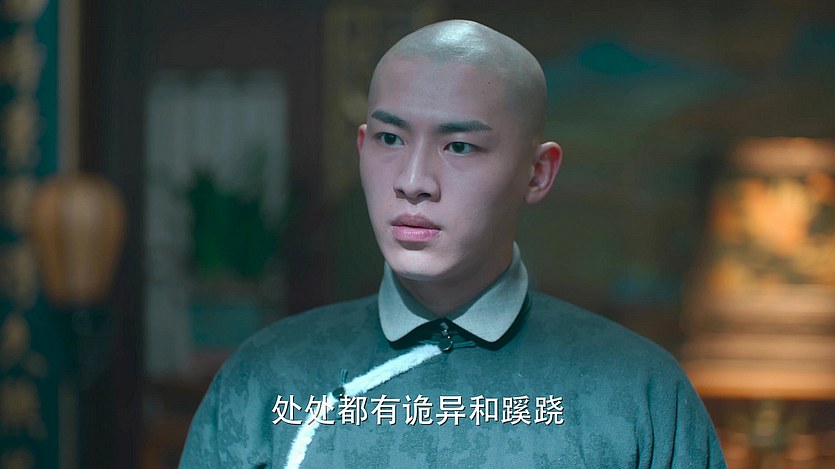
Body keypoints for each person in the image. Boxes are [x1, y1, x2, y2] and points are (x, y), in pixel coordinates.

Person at [180, 19, 726, 468]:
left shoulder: (638, 392)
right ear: (362, 147)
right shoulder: (267, 379)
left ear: (538, 172)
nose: (413, 181)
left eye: (459, 146)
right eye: (390, 139)